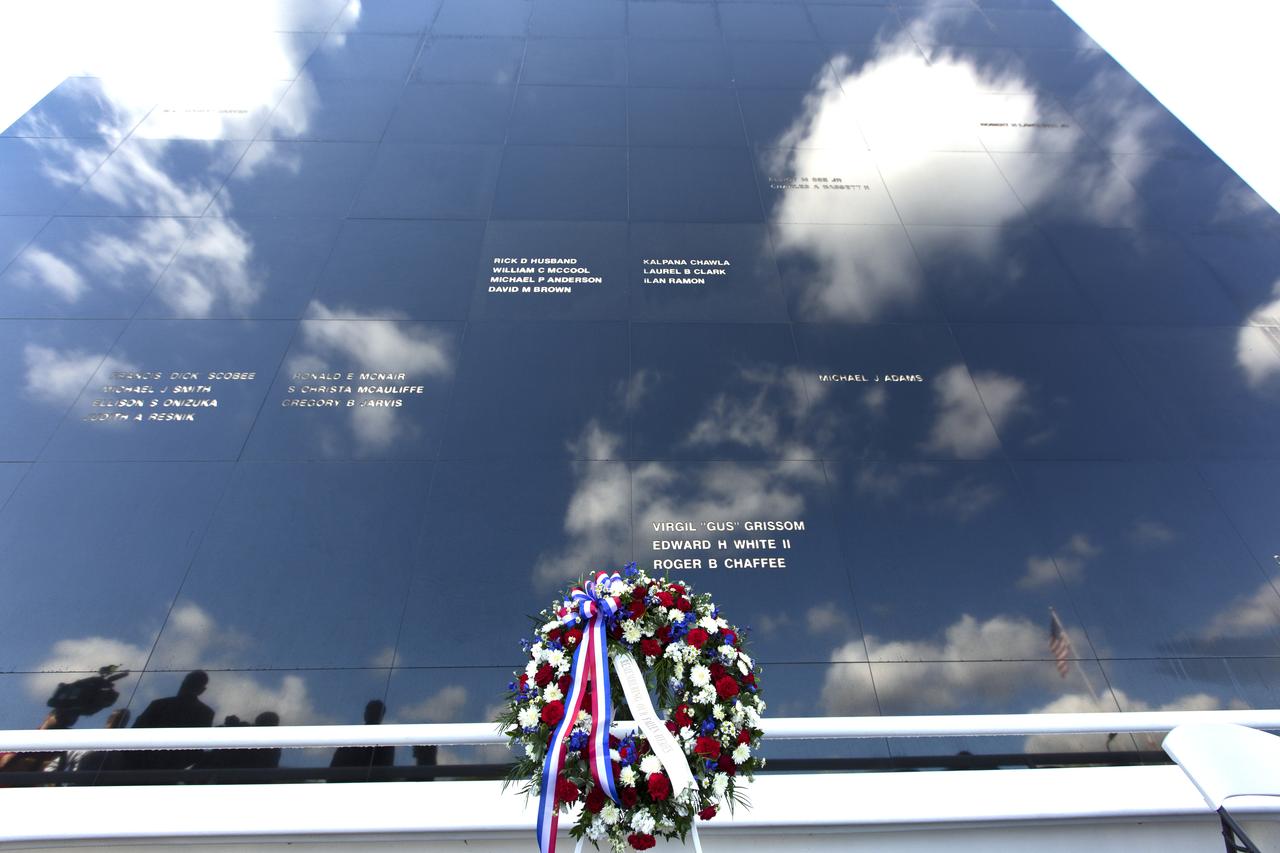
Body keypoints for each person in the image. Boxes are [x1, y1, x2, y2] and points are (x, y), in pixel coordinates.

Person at [127, 670, 215, 773]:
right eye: (189, 682)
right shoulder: (205, 712)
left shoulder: (159, 705)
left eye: (190, 682)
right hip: (159, 768)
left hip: (147, 767)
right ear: (202, 690)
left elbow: (135, 735)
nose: (185, 685)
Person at [330, 700, 394, 778]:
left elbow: (386, 770)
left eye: (374, 711)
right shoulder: (351, 737)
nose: (371, 713)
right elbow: (335, 766)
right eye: (370, 710)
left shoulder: (387, 739)